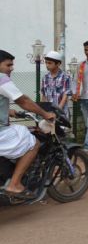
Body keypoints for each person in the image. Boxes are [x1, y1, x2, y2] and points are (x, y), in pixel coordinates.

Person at [0, 50, 55, 198]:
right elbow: (23, 100)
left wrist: (9, 111)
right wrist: (45, 114)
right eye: (8, 65)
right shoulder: (2, 79)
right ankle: (14, 184)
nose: (11, 68)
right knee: (33, 142)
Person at [40, 51, 72, 117]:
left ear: (58, 64)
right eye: (46, 62)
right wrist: (44, 111)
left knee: (61, 127)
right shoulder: (45, 77)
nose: (47, 65)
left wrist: (57, 111)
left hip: (61, 113)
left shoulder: (66, 77)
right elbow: (43, 96)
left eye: (49, 63)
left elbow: (65, 96)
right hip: (48, 113)